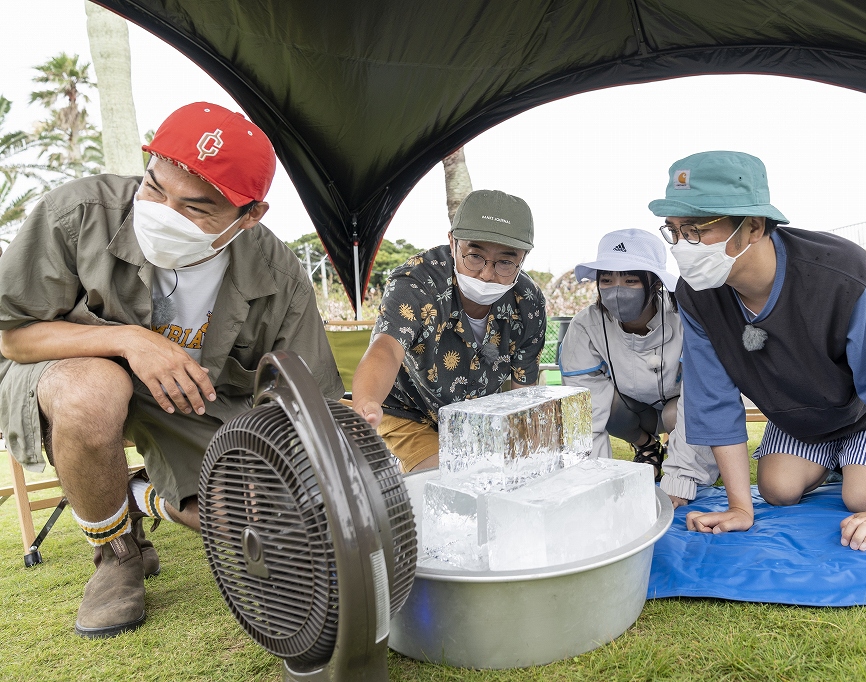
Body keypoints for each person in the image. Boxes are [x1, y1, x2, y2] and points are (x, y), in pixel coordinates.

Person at [0, 102, 344, 638]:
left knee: (243, 523)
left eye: (197, 208)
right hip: (67, 373)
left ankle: (142, 496)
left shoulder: (278, 272)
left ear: (250, 216)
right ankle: (117, 554)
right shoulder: (78, 212)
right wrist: (128, 340)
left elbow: (307, 396)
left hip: (191, 398)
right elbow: (12, 335)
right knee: (92, 393)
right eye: (155, 188)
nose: (164, 212)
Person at [649, 151, 866, 551]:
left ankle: (865, 464)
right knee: (777, 489)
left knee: (862, 497)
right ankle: (844, 459)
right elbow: (713, 399)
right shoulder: (695, 294)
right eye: (674, 230)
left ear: (753, 227)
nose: (682, 248)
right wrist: (740, 506)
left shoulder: (842, 273)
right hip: (811, 409)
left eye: (695, 230)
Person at [352, 189, 547, 471]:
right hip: (411, 413)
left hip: (478, 419)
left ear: (523, 258)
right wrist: (368, 401)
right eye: (475, 256)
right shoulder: (416, 282)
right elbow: (386, 348)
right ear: (452, 242)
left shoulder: (528, 302)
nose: (487, 274)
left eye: (505, 262)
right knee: (444, 480)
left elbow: (523, 389)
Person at [559, 228, 716, 496]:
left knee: (676, 413)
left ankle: (682, 463)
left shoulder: (688, 318)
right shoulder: (585, 325)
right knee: (599, 402)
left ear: (655, 283)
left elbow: (701, 399)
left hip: (678, 409)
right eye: (606, 280)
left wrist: (680, 481)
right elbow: (585, 406)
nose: (616, 291)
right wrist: (591, 484)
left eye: (630, 280)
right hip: (632, 411)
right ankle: (646, 445)